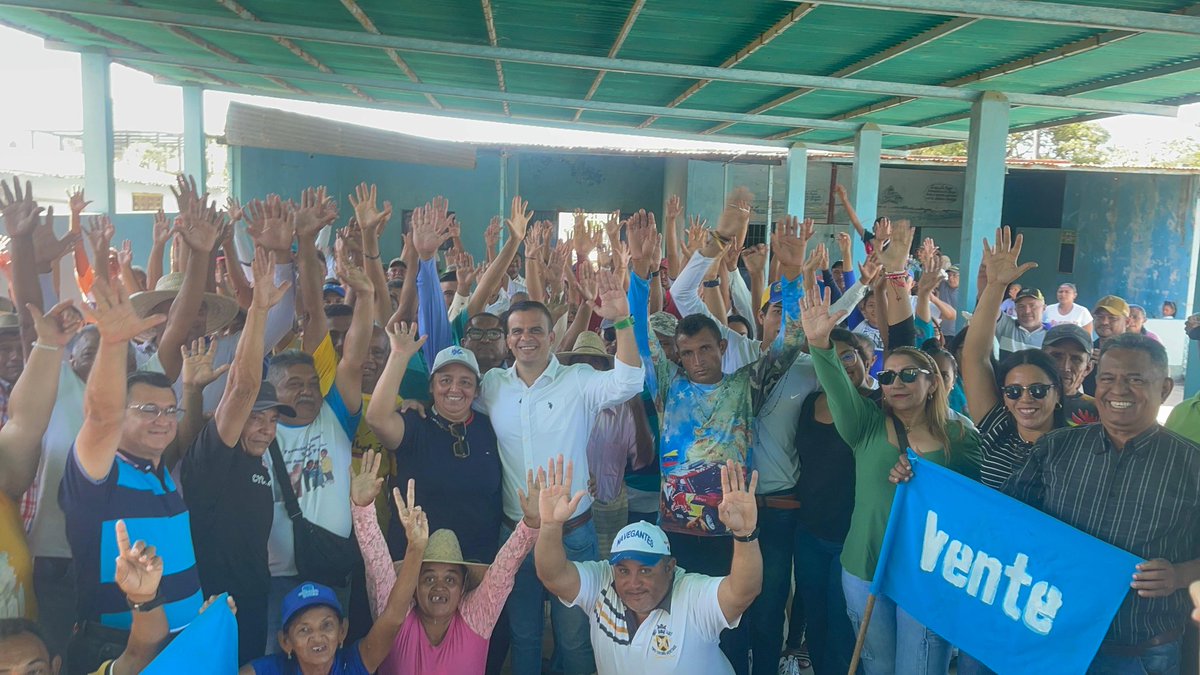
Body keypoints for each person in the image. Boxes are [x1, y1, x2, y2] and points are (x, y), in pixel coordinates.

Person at [799, 286, 981, 675]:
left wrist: (926, 481)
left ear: (932, 382)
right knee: (877, 666)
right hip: (865, 568)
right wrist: (819, 344)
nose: (896, 382)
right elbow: (836, 386)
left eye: (908, 375)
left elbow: (976, 509)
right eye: (887, 375)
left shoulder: (963, 440)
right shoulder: (865, 424)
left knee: (920, 668)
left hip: (927, 574)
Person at [1003, 334, 1200, 673]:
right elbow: (998, 516)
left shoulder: (1192, 465)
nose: (1118, 390)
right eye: (1108, 379)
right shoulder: (1056, 447)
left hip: (1142, 651)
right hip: (1051, 637)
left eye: (1135, 379)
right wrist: (916, 480)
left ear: (1165, 388)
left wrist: (1181, 575)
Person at [60, 277, 204, 672]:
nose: (162, 421)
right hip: (119, 653)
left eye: (168, 411)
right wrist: (112, 341)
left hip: (180, 649)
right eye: (146, 410)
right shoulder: (99, 475)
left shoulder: (163, 474)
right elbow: (101, 417)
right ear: (121, 415)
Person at [535, 455, 763, 674]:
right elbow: (553, 576)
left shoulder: (691, 595)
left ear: (670, 567)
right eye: (623, 570)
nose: (633, 583)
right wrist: (550, 526)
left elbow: (742, 592)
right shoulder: (603, 582)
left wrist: (744, 535)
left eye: (645, 570)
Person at [179, 246, 293, 665]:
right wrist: (259, 310)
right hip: (211, 609)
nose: (267, 427)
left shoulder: (256, 461)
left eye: (274, 420)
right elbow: (242, 387)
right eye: (256, 419)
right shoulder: (213, 459)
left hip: (252, 603)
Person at [350, 451, 539, 673]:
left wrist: (531, 523)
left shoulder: (476, 618)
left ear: (463, 588)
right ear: (413, 586)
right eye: (429, 577)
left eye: (450, 579)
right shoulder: (395, 614)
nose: (439, 586)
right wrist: (362, 507)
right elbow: (376, 563)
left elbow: (505, 569)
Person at [365, 327, 501, 563]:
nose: (455, 389)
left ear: (477, 391)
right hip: (414, 565)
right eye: (445, 380)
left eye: (465, 382)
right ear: (431, 386)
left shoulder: (491, 428)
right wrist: (398, 355)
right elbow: (376, 418)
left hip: (477, 564)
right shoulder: (415, 424)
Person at [959, 227, 1069, 490]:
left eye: (1038, 390)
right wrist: (996, 286)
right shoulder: (997, 429)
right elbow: (974, 357)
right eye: (1014, 391)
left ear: (1058, 394)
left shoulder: (1076, 446)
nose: (1025, 399)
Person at [791, 327, 873, 675]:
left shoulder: (879, 406)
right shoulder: (809, 404)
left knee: (843, 630)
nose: (841, 365)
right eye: (831, 358)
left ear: (863, 358)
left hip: (851, 541)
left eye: (848, 356)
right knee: (816, 618)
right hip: (808, 534)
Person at [239, 567, 418, 675]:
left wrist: (415, 548)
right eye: (304, 630)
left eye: (327, 625)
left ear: (342, 631)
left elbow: (393, 618)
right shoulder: (271, 670)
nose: (317, 637)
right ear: (286, 642)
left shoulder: (353, 665)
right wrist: (210, 627)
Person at [1041, 324, 1100, 426]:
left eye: (1076, 359)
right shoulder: (1020, 401)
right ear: (1040, 359)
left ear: (1088, 368)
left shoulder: (1100, 411)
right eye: (1056, 356)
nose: (1065, 367)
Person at [1083, 295, 1130, 396]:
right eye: (1100, 317)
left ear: (1127, 322)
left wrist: (1110, 363)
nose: (1104, 322)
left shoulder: (1137, 351)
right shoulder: (1087, 349)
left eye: (1112, 318)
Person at [996, 287, 1048, 356]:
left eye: (1032, 306)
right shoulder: (1005, 325)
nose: (1027, 311)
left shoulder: (1051, 336)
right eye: (1021, 306)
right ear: (1015, 309)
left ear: (1044, 308)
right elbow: (989, 306)